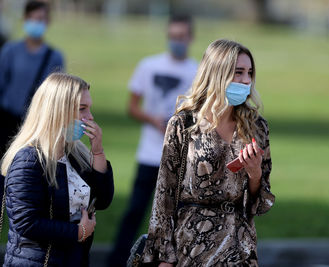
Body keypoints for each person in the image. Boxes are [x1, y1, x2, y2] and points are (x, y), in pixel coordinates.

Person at [141, 39, 275, 266]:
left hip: (238, 246)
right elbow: (164, 195)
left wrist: (255, 174)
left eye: (249, 73)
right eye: (238, 72)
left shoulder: (256, 126)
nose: (246, 80)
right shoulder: (184, 124)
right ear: (217, 74)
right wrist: (164, 257)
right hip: (192, 244)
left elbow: (260, 203)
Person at [108, 15, 197, 267]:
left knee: (174, 214)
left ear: (190, 38)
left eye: (181, 37)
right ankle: (118, 260)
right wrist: (152, 119)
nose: (177, 42)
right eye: (173, 37)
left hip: (180, 159)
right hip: (149, 154)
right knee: (135, 211)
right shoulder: (148, 65)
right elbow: (132, 106)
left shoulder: (197, 71)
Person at [0, 73, 114, 266]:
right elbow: (26, 222)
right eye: (82, 109)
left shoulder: (75, 153)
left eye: (89, 108)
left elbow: (102, 200)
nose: (90, 117)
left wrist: (98, 151)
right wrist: (77, 232)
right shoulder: (28, 159)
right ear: (58, 110)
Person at [0, 0, 64, 158]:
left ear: (48, 21)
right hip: (7, 119)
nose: (36, 23)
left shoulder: (54, 57)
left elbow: (56, 94)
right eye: (33, 19)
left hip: (35, 123)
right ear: (25, 19)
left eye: (41, 19)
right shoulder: (10, 51)